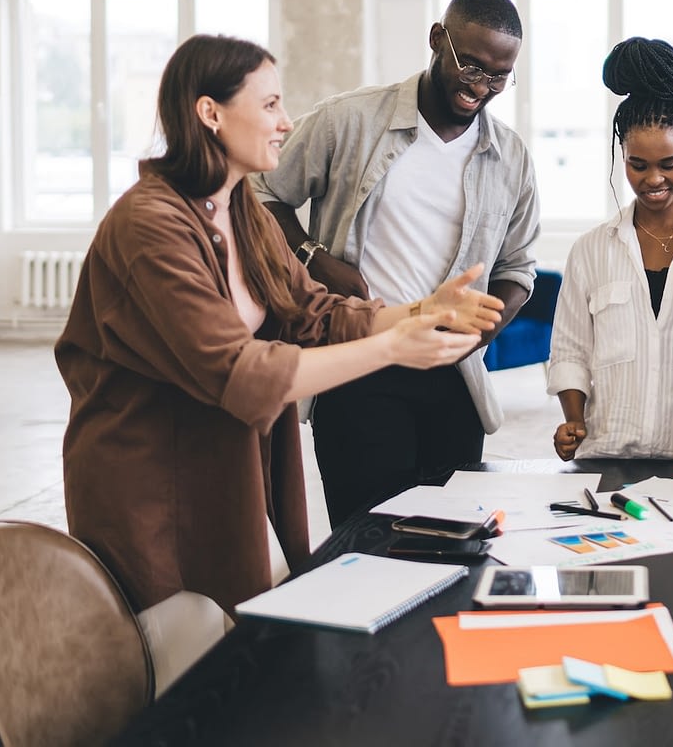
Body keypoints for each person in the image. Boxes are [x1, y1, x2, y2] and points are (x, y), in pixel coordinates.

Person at [57, 35, 502, 615]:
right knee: (172, 663)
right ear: (210, 113)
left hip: (227, 466)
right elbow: (240, 373)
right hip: (150, 481)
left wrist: (424, 310)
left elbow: (314, 313)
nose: (286, 123)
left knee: (242, 641)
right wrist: (394, 346)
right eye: (269, 105)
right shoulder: (148, 226)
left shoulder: (242, 210)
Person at [253, 0, 540, 525]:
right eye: (471, 66)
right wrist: (315, 257)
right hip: (362, 359)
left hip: (453, 380)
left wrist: (476, 336)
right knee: (369, 540)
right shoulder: (349, 121)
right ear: (438, 39)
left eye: (499, 76)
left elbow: (518, 268)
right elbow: (261, 195)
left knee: (450, 544)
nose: (481, 87)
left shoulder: (511, 156)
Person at [548, 38, 673, 464]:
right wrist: (573, 419)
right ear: (622, 155)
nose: (653, 179)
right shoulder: (590, 250)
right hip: (607, 456)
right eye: (637, 165)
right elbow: (570, 351)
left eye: (669, 164)